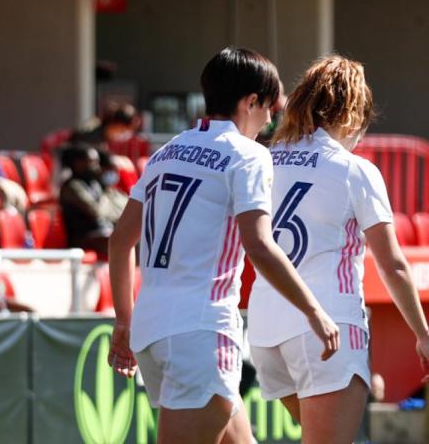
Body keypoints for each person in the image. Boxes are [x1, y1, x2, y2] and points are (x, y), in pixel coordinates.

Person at [106, 47, 340, 444]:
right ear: (251, 102)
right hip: (201, 330)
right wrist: (314, 311)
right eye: (270, 110)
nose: (270, 121)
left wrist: (124, 321)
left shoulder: (166, 152)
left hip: (153, 328)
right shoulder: (248, 155)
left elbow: (118, 242)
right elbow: (259, 245)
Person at [248, 55, 429, 443]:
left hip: (265, 328)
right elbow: (393, 265)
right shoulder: (353, 170)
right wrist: (423, 333)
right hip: (328, 327)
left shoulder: (264, 159)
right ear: (352, 113)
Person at [58, 144, 127, 258]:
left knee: (133, 232)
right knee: (124, 239)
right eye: (92, 162)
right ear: (78, 163)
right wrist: (106, 195)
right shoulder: (72, 187)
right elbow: (97, 212)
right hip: (82, 237)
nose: (97, 166)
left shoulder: (94, 184)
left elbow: (123, 206)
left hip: (103, 230)